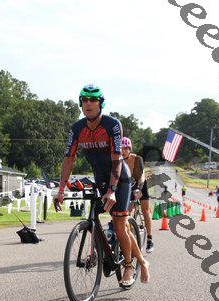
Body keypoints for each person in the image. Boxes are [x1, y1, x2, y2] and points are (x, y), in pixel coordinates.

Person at [56, 84, 149, 285]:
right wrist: (61, 189)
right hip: (100, 179)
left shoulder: (112, 125)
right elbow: (69, 159)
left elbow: (116, 160)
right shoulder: (77, 128)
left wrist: (112, 190)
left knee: (119, 225)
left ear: (101, 104)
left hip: (120, 179)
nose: (88, 104)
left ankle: (129, 266)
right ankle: (123, 256)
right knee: (103, 221)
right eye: (85, 100)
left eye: (93, 100)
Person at [121, 137, 154, 253]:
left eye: (126, 148)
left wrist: (139, 189)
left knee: (145, 211)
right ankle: (129, 236)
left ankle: (149, 239)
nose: (123, 151)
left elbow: (142, 176)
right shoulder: (118, 160)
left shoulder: (137, 158)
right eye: (121, 149)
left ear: (130, 149)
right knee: (127, 211)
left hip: (140, 184)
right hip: (128, 185)